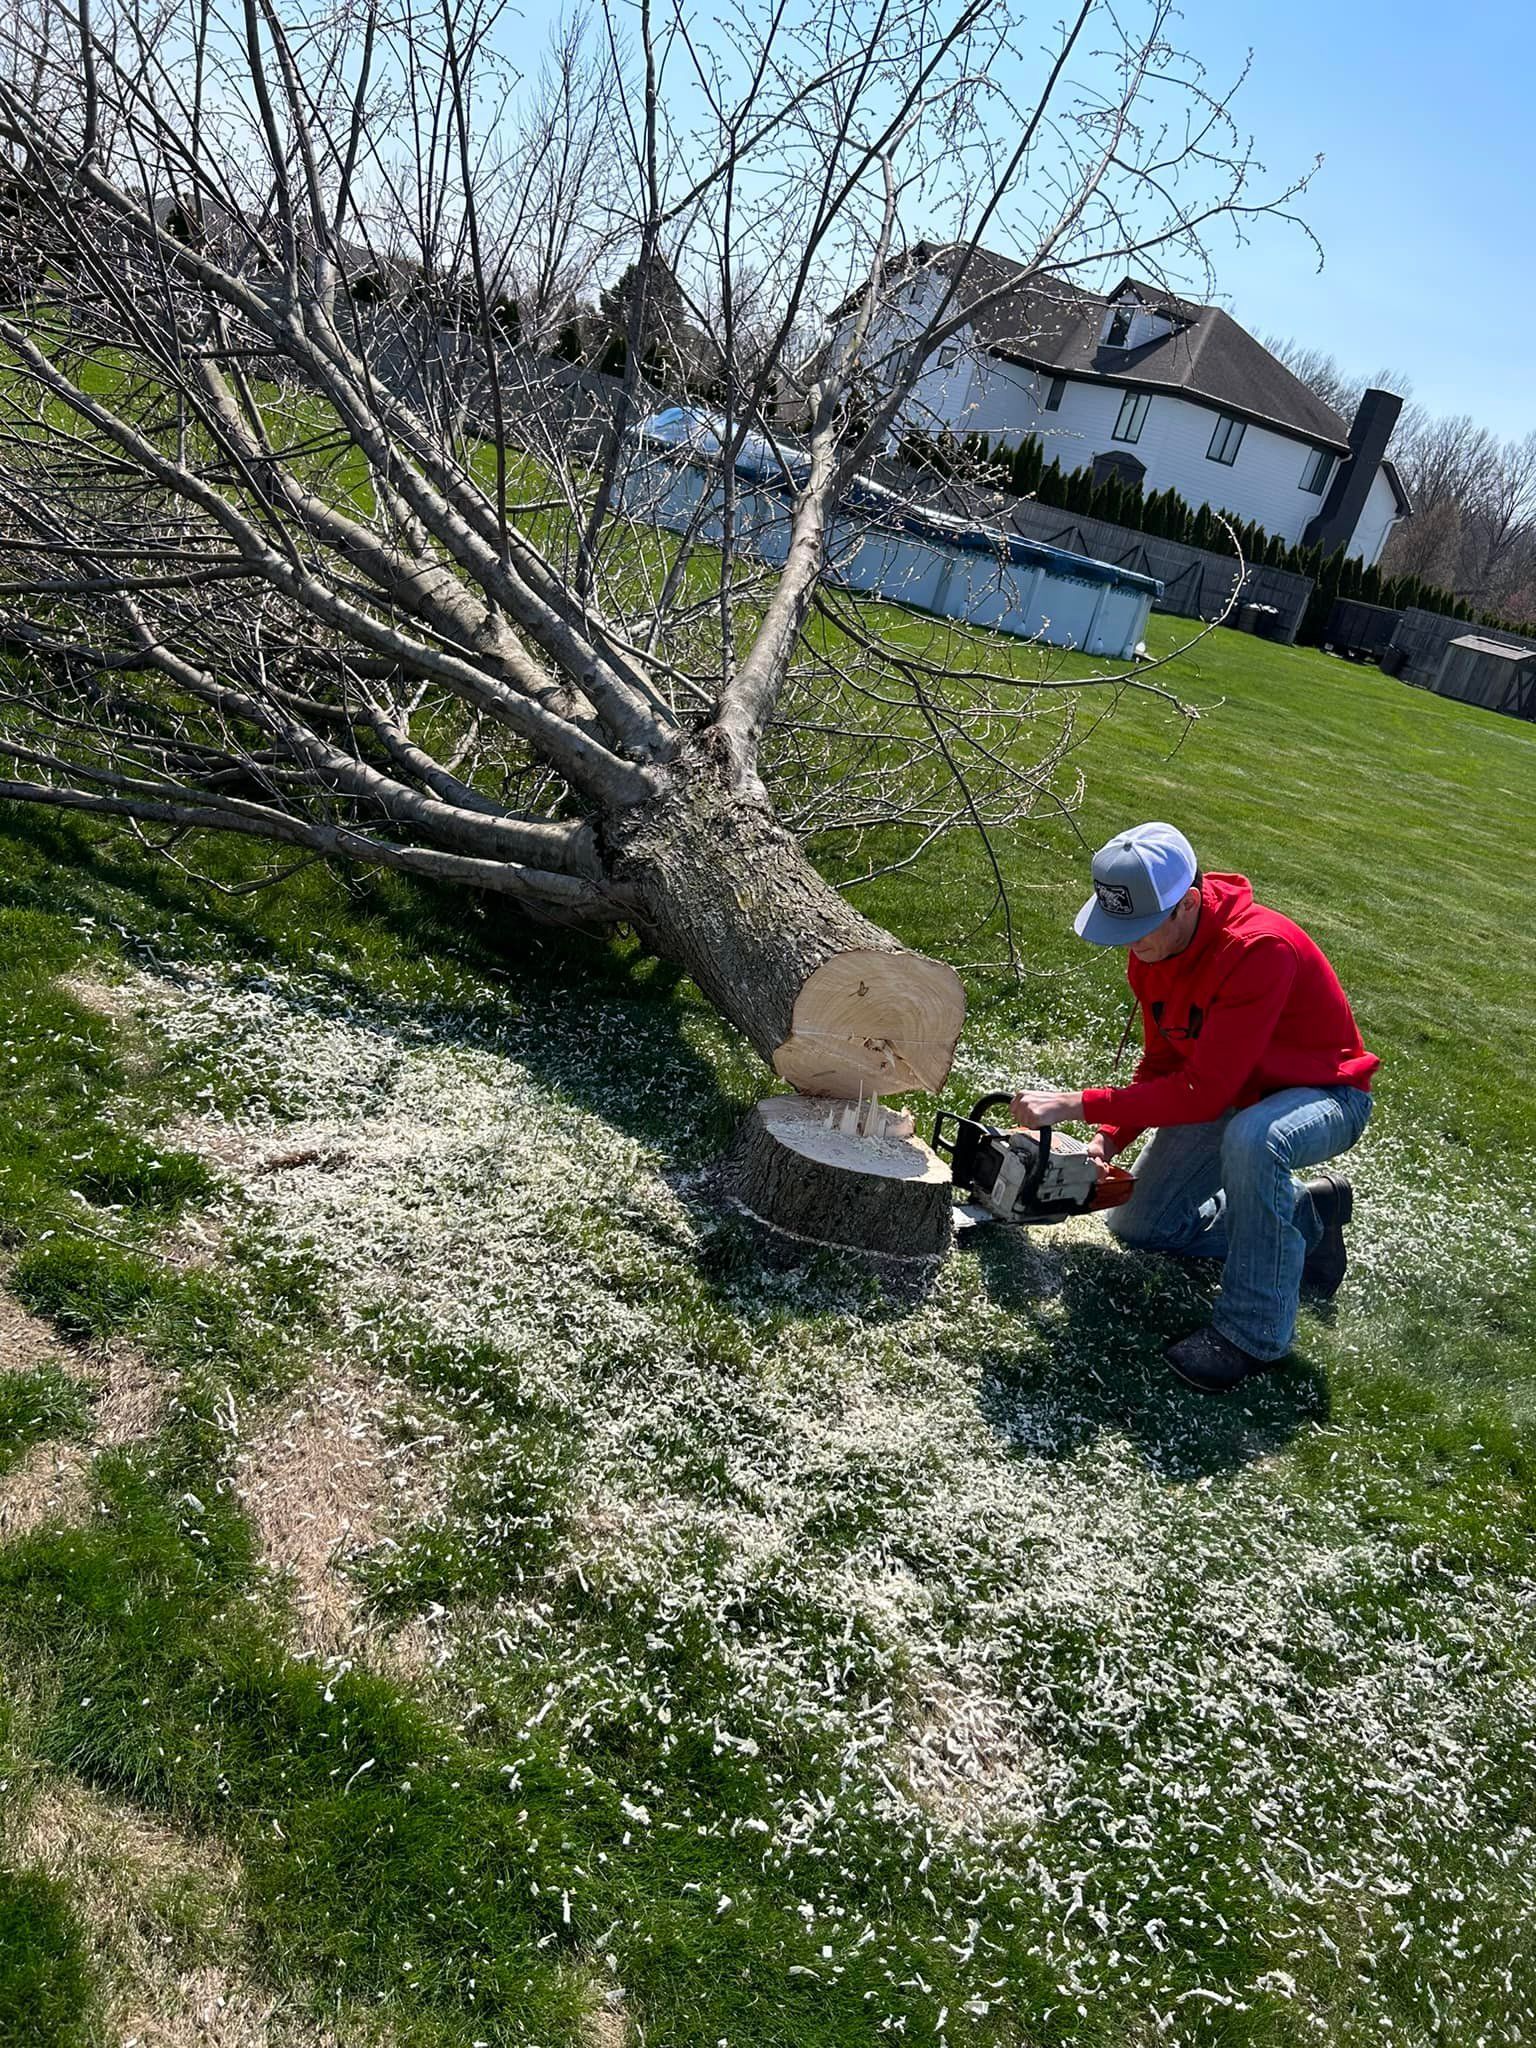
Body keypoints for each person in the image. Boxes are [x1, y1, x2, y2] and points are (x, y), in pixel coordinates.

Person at [1011, 822, 1378, 1393]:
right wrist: (1108, 1136)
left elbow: (1202, 1092)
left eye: (1139, 927)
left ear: (1186, 903)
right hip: (1232, 1095)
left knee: (1257, 1141)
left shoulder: (1260, 949)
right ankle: (1306, 1217)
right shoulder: (1152, 954)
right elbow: (1166, 1066)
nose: (1131, 944)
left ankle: (1252, 1334)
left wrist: (1076, 1103)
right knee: (1140, 1225)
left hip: (1325, 1096)